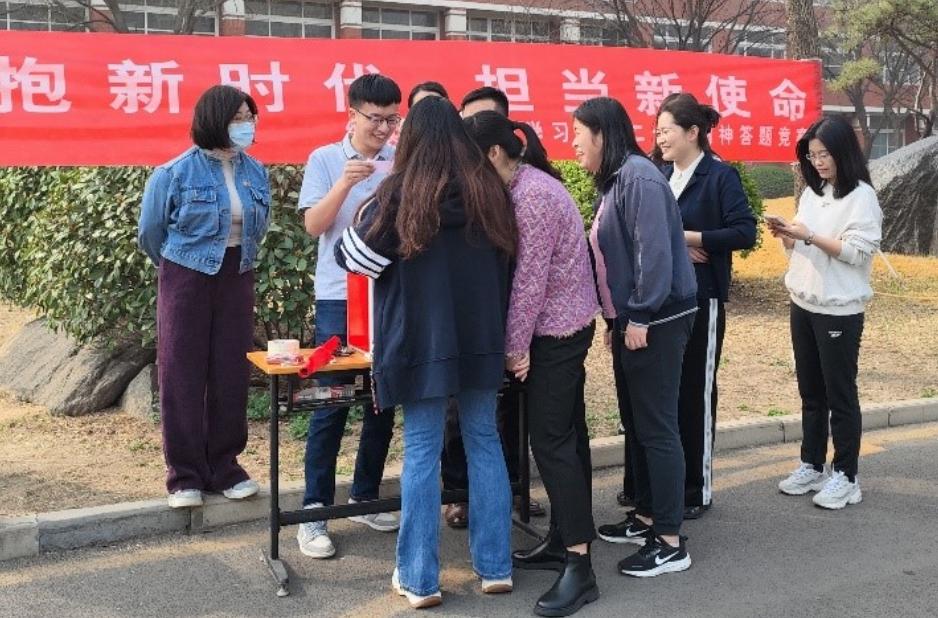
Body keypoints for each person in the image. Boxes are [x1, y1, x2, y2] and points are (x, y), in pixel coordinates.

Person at [335, 96, 516, 609]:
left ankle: (419, 580)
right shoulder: (490, 193)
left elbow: (353, 258)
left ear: (411, 140)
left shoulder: (400, 195)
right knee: (485, 442)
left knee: (420, 451)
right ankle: (496, 567)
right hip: (481, 342)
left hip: (421, 345)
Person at [465, 111, 600, 616]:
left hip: (557, 332)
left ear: (494, 153)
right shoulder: (524, 186)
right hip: (560, 325)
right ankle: (564, 539)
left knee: (551, 441)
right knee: (568, 436)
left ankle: (580, 567)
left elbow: (529, 281)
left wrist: (515, 347)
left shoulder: (533, 197)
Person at [573, 97, 697, 577]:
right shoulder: (618, 179)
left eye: (578, 134)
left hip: (657, 320)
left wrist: (640, 316)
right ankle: (646, 515)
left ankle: (669, 540)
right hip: (632, 320)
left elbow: (653, 254)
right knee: (640, 423)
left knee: (657, 426)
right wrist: (616, 321)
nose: (574, 144)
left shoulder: (639, 178)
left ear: (601, 134)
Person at [137, 84, 270, 508]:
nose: (246, 125)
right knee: (182, 371)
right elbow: (151, 233)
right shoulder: (173, 173)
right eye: (238, 118)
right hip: (186, 275)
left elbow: (259, 227)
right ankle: (185, 476)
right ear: (215, 120)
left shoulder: (256, 171)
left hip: (237, 273)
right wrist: (178, 268)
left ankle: (226, 468)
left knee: (231, 370)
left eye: (249, 118)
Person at [296, 74, 401, 559]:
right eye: (374, 119)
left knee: (382, 400)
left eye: (390, 119)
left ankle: (364, 496)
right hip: (339, 298)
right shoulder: (324, 159)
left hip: (389, 297)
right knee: (331, 402)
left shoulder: (400, 162)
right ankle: (314, 510)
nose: (382, 128)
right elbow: (314, 225)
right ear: (352, 115)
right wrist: (344, 183)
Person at [443, 87, 545, 529]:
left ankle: (515, 488)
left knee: (510, 411)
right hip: (469, 318)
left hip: (514, 311)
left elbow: (531, 270)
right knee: (459, 412)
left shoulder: (526, 185)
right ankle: (459, 494)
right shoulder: (458, 181)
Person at [770, 116, 882, 509]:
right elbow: (801, 246)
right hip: (803, 302)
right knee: (811, 392)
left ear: (843, 153)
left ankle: (846, 476)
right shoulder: (813, 193)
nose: (817, 162)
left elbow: (856, 253)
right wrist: (788, 235)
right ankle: (812, 464)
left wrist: (810, 236)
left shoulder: (862, 197)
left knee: (840, 395)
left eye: (824, 154)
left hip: (839, 309)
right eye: (812, 155)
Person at [659, 93, 756, 519]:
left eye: (667, 131)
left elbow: (744, 232)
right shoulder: (661, 174)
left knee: (696, 393)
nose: (660, 139)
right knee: (671, 395)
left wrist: (691, 238)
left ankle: (697, 490)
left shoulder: (719, 176)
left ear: (693, 132)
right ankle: (669, 484)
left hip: (703, 298)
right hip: (665, 300)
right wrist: (677, 244)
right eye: (658, 131)